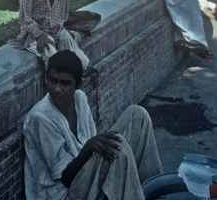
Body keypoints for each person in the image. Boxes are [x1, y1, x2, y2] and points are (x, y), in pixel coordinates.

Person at [23, 50, 163, 200]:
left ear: (77, 84)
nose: (57, 89)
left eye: (65, 83)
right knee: (118, 148)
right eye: (53, 81)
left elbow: (94, 145)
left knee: (137, 115)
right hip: (61, 193)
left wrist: (91, 147)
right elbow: (65, 178)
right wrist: (88, 148)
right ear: (46, 79)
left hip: (84, 174)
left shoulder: (80, 99)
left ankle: (156, 191)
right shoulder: (40, 118)